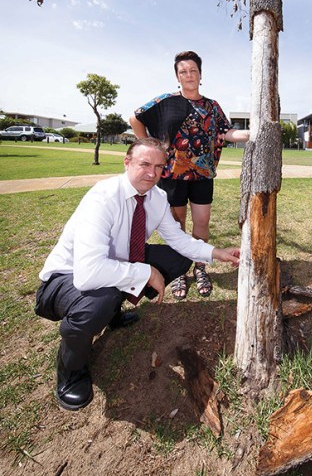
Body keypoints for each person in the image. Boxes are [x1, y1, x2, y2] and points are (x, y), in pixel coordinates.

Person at [35, 137, 240, 412]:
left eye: (159, 166)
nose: (152, 173)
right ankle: (71, 370)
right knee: (100, 298)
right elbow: (88, 273)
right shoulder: (103, 197)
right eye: (144, 164)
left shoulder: (157, 197)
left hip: (114, 265)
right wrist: (145, 272)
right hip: (64, 279)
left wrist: (217, 253)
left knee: (178, 258)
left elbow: (178, 240)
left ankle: (113, 312)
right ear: (127, 162)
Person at [129, 51, 249, 301]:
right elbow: (135, 117)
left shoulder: (212, 106)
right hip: (172, 176)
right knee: (177, 226)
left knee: (202, 222)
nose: (189, 75)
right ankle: (181, 271)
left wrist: (250, 134)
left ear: (201, 75)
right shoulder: (166, 101)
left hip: (203, 175)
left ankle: (201, 266)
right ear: (177, 76)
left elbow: (227, 132)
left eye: (193, 70)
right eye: (183, 71)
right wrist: (148, 146)